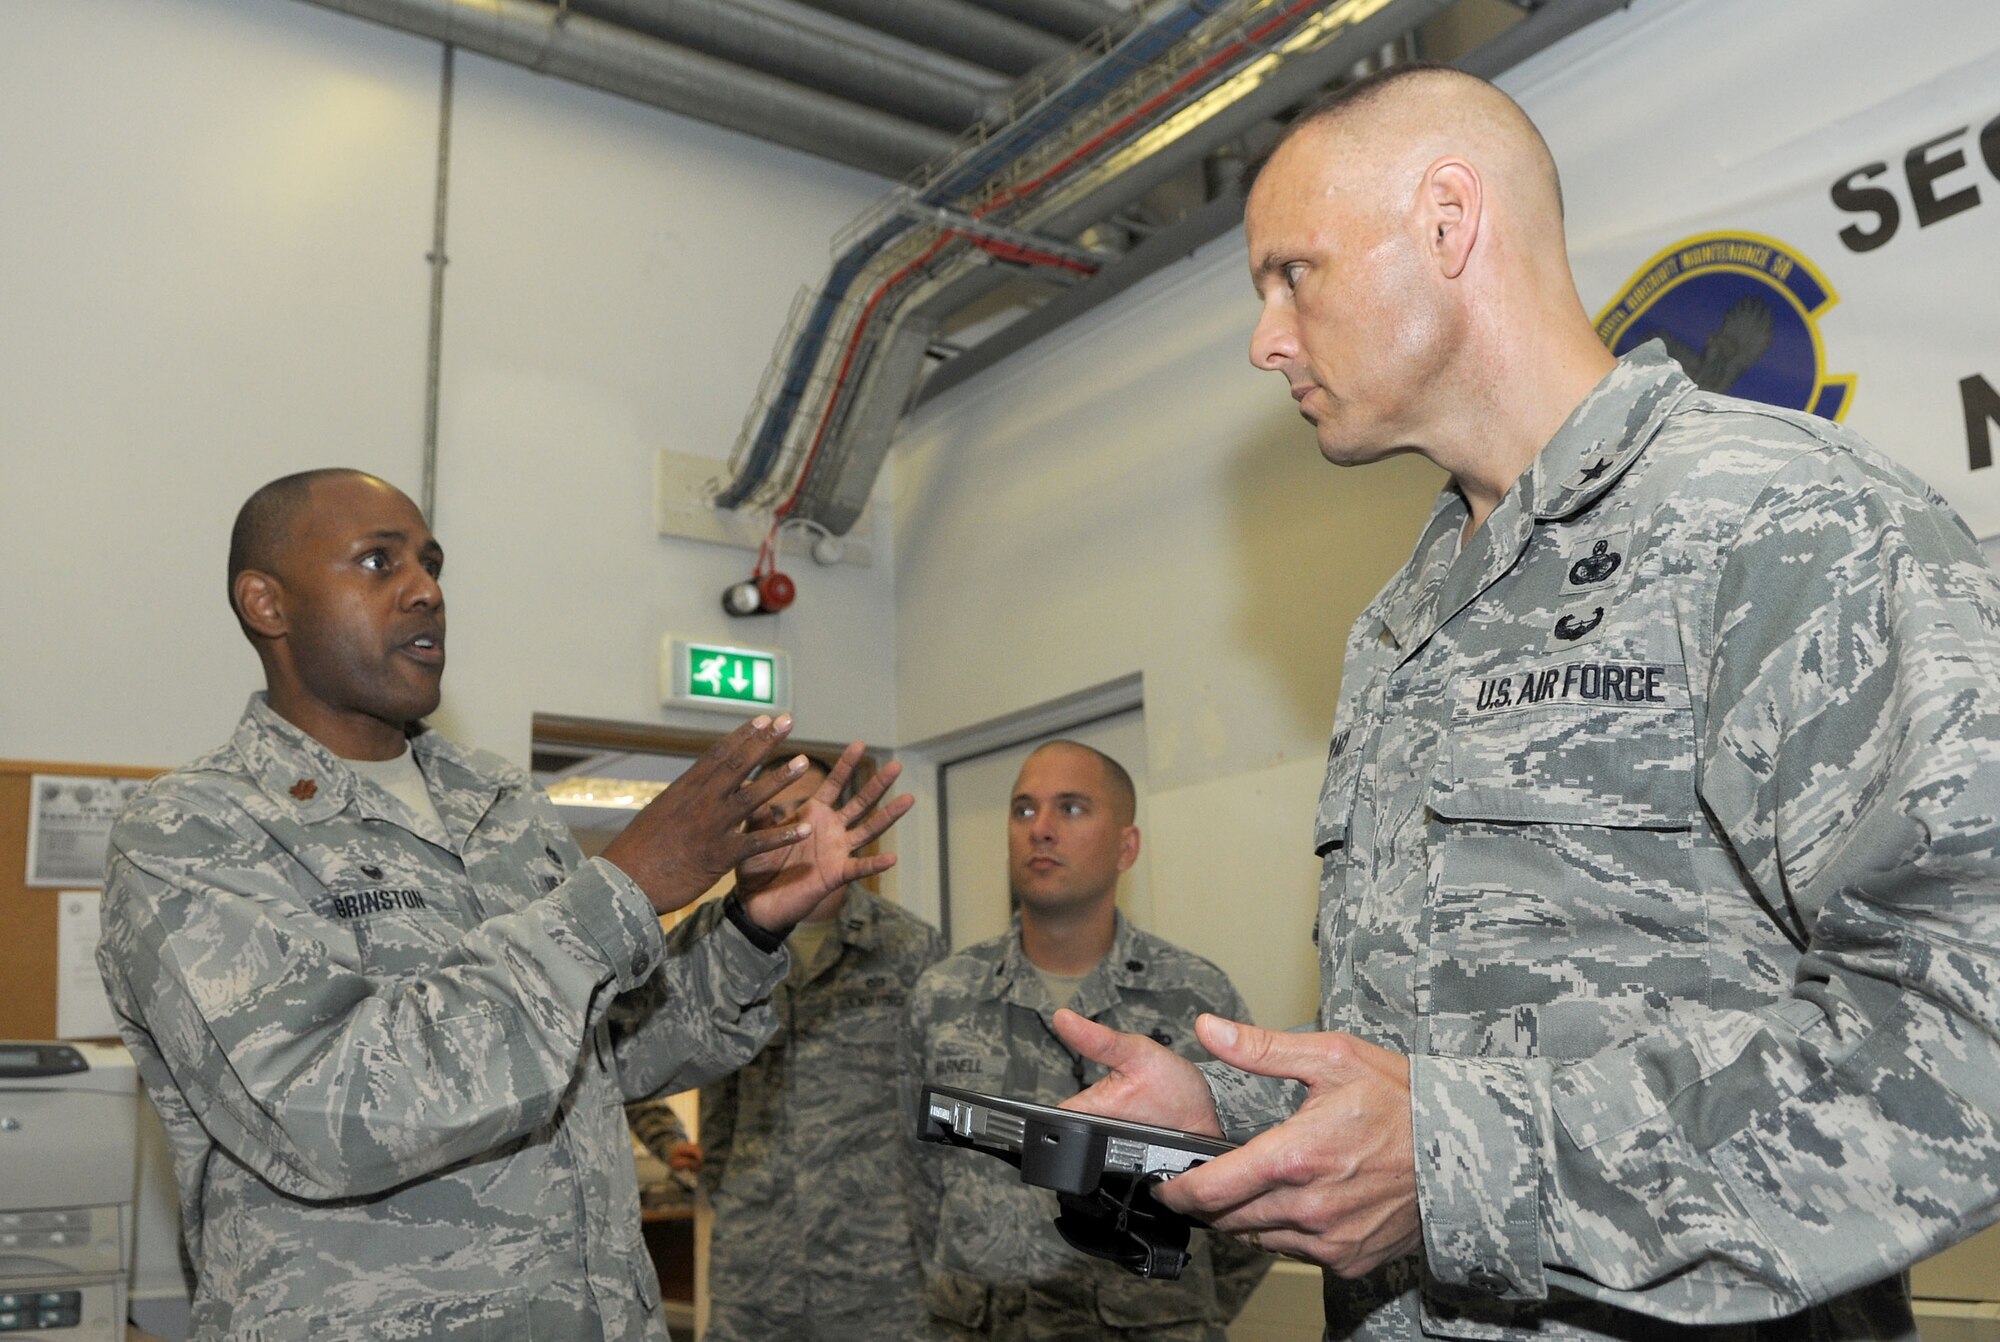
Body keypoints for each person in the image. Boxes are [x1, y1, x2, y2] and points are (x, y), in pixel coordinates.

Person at [1052, 62, 2000, 1342]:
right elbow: (1446, 1069)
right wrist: (1237, 1121)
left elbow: (1965, 1024)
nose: (1264, 338)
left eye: (1292, 273)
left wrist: (1465, 1163)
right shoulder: (1400, 625)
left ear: (1448, 221)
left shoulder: (1781, 522)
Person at [97, 467, 910, 1342]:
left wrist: (752, 925)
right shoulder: (193, 831)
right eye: (379, 562)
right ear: (267, 604)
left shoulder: (501, 803)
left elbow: (611, 1056)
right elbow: (317, 1114)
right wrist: (620, 892)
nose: (426, 592)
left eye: (431, 563)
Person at [901, 740, 1272, 1341]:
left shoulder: (1197, 998)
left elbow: (1254, 1179)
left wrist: (1181, 1309)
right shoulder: (943, 993)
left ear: (1127, 846)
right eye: (1024, 810)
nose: (1040, 830)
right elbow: (915, 1178)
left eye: (1071, 809)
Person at [686, 756, 947, 1341]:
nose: (786, 826)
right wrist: (728, 1189)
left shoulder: (909, 948)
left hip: (879, 1270)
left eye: (799, 810)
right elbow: (714, 1096)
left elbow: (936, 1107)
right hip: (756, 1269)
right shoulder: (721, 944)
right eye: (770, 814)